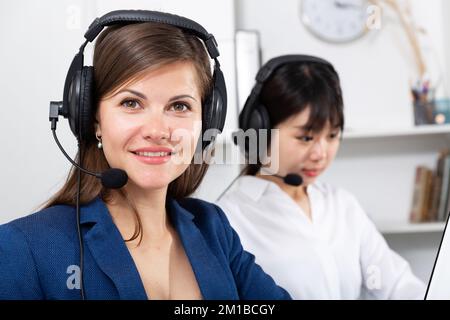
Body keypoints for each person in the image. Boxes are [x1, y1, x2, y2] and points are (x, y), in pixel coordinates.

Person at [0, 10, 291, 300]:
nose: (157, 130)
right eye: (131, 103)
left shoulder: (213, 230)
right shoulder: (25, 248)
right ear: (92, 118)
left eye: (179, 106)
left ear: (209, 120)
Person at [217, 55, 426, 300]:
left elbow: (396, 285)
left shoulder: (341, 205)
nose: (321, 154)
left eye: (332, 135)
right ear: (259, 131)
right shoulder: (227, 219)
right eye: (306, 138)